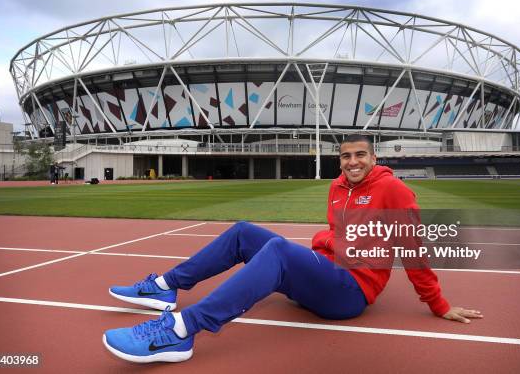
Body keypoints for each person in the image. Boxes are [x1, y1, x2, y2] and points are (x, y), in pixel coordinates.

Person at [102, 134, 483, 363]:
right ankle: (167, 285)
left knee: (279, 251)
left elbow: (413, 249)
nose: (352, 162)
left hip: (349, 293)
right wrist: (323, 243)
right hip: (326, 274)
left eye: (360, 155)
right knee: (243, 233)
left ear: (374, 158)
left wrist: (439, 305)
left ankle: (182, 330)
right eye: (346, 156)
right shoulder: (337, 188)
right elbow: (338, 236)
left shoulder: (393, 190)